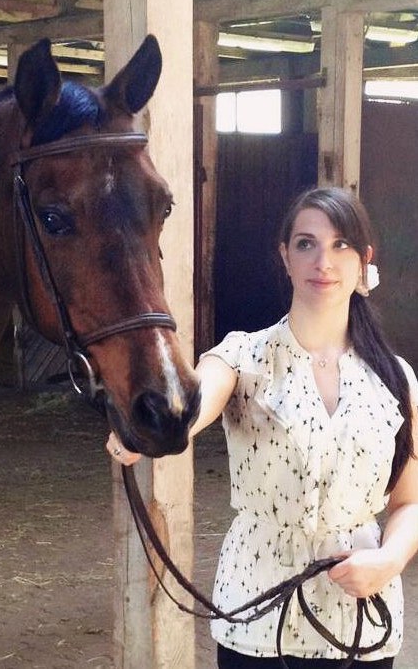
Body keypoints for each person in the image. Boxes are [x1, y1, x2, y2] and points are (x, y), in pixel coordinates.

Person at [106, 187, 418, 668]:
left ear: (364, 260)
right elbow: (197, 399)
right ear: (285, 257)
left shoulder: (396, 378)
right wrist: (155, 426)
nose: (324, 261)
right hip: (258, 621)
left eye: (341, 245)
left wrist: (389, 560)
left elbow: (409, 501)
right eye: (306, 243)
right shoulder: (241, 357)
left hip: (362, 620)